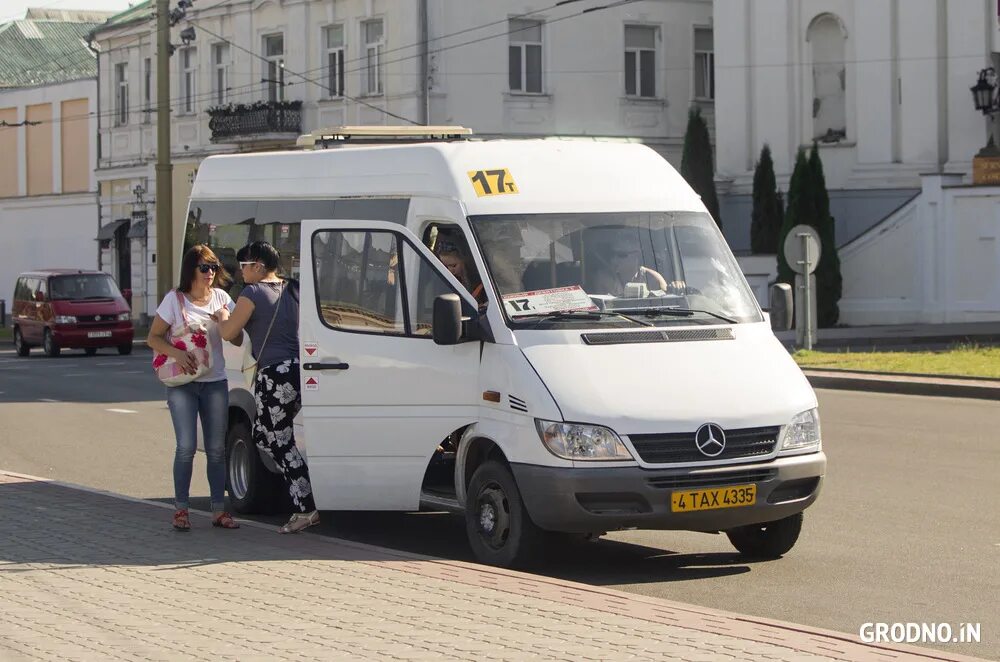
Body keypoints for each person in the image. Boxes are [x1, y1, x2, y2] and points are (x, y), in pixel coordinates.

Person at [213, 241, 319, 534]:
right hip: (298, 370)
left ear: (258, 266)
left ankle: (305, 506)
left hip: (274, 374)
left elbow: (230, 332)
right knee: (265, 433)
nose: (240, 271)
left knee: (276, 439)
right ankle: (305, 494)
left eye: (244, 266)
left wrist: (222, 315)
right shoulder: (293, 288)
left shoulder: (253, 292)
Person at [148, 245, 240, 531]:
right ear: (191, 271)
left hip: (214, 382)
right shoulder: (174, 301)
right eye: (204, 268)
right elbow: (153, 338)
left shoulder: (222, 299)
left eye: (214, 267)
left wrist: (224, 320)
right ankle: (181, 510)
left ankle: (218, 510)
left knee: (216, 449)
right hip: (182, 384)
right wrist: (177, 354)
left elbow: (236, 340)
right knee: (186, 447)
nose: (210, 273)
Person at [434, 238, 486, 305]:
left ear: (465, 260)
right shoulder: (448, 282)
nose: (450, 271)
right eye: (446, 267)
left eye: (453, 266)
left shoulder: (481, 283)